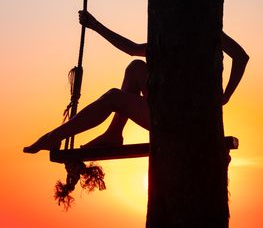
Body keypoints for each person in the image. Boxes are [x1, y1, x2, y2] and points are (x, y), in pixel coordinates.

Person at [23, 11, 249, 153]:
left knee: (113, 97)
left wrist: (226, 95)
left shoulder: (208, 33)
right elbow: (132, 49)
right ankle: (114, 133)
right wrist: (95, 26)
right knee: (136, 68)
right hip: (167, 112)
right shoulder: (169, 40)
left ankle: (54, 137)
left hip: (181, 123)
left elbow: (241, 57)